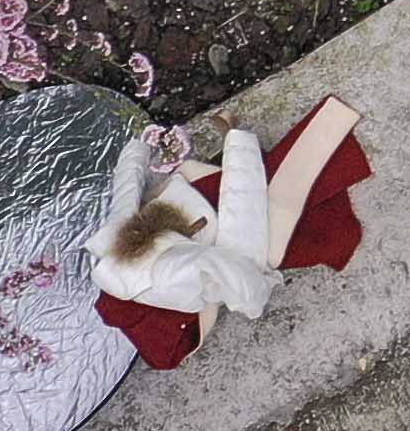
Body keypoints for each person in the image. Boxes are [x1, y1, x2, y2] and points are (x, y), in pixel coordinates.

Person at [87, 92, 370, 371]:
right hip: (194, 211)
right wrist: (139, 148)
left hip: (197, 211)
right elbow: (237, 254)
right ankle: (316, 137)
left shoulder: (158, 268)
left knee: (265, 231)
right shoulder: (144, 268)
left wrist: (256, 296)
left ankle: (311, 139)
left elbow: (240, 239)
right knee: (268, 235)